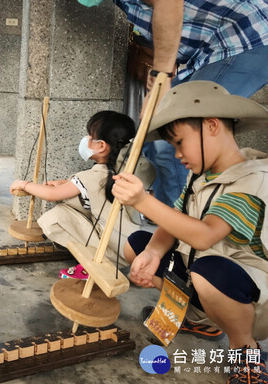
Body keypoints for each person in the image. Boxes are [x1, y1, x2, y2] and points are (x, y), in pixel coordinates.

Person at [112, 81, 268, 384]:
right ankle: (201, 320)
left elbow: (205, 236)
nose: (178, 154)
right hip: (202, 271)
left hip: (249, 296)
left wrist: (143, 200)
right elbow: (175, 221)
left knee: (210, 273)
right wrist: (153, 252)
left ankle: (245, 349)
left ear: (211, 125)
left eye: (179, 142)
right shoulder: (200, 176)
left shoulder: (252, 180)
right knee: (139, 244)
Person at [79, 0, 268, 208]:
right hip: (214, 49)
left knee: (170, 138)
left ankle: (178, 230)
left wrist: (162, 73)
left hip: (247, 35)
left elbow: (168, 3)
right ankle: (167, 222)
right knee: (155, 130)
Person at [10, 111, 155, 279]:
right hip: (130, 243)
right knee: (72, 205)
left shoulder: (92, 177)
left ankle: (96, 262)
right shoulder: (127, 171)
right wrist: (66, 183)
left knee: (55, 217)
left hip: (114, 249)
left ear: (101, 146)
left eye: (89, 136)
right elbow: (91, 191)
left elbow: (52, 195)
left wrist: (24, 184)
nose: (85, 140)